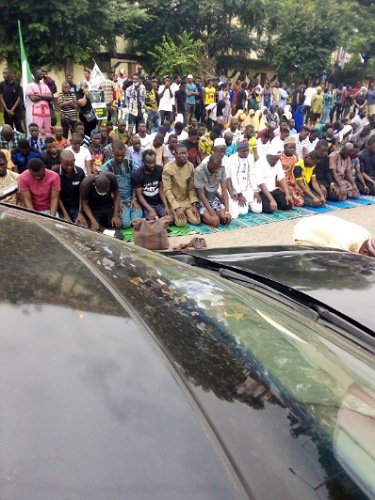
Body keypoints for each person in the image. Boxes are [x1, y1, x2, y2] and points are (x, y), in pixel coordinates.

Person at [101, 140, 142, 228]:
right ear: (112, 152)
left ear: (125, 152)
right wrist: (116, 202)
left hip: (131, 199)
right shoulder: (106, 167)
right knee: (125, 224)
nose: (120, 158)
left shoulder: (130, 163)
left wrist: (134, 198)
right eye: (117, 155)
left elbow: (136, 182)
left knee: (137, 221)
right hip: (118, 201)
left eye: (122, 155)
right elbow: (108, 191)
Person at [293, 215, 375, 257]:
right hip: (305, 229)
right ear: (364, 251)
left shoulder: (368, 236)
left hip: (324, 223)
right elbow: (330, 258)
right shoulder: (343, 243)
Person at [162, 143, 201, 227]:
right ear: (175, 154)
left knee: (196, 221)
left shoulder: (190, 166)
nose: (184, 156)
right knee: (181, 223)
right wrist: (177, 208)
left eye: (185, 153)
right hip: (175, 201)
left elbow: (191, 188)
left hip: (186, 200)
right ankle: (176, 212)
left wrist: (194, 205)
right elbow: (167, 190)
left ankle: (185, 212)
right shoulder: (168, 168)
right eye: (181, 153)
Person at [226, 139, 262, 218]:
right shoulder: (232, 159)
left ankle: (249, 204)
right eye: (243, 151)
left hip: (249, 188)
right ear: (238, 150)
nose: (246, 153)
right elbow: (233, 178)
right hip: (238, 190)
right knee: (243, 212)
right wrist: (240, 194)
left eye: (247, 150)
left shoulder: (250, 157)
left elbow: (252, 174)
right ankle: (246, 204)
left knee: (258, 209)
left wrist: (256, 190)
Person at [195, 153, 231, 226]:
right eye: (214, 168)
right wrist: (212, 213)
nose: (216, 170)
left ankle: (214, 215)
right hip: (201, 201)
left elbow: (224, 189)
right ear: (208, 163)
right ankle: (202, 216)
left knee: (225, 219)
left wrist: (227, 211)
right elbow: (201, 195)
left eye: (217, 168)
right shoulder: (199, 171)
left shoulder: (221, 169)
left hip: (213, 198)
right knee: (214, 222)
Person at [256, 143, 293, 213]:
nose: (276, 162)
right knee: (269, 208)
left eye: (277, 159)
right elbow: (261, 184)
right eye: (274, 160)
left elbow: (282, 178)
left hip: (274, 189)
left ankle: (276, 203)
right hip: (263, 191)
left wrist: (287, 194)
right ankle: (273, 202)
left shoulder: (277, 161)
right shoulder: (259, 163)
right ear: (268, 156)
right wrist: (272, 200)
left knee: (288, 204)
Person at [132, 149, 170, 219]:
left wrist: (166, 206)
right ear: (143, 161)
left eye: (153, 162)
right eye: (149, 163)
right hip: (147, 204)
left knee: (170, 219)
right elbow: (139, 196)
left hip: (159, 203)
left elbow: (161, 190)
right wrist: (150, 209)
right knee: (152, 220)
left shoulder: (160, 170)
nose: (152, 165)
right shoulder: (137, 174)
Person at [53, 149, 85, 223]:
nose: (69, 167)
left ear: (74, 160)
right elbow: (56, 196)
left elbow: (82, 194)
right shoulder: (55, 173)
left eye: (71, 164)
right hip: (61, 207)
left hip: (77, 207)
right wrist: (65, 215)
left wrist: (80, 212)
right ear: (60, 162)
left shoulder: (80, 172)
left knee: (82, 226)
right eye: (66, 165)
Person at [26, 69, 53, 135]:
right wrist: (45, 96)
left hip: (47, 113)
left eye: (42, 73)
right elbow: (33, 98)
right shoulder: (30, 86)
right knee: (38, 131)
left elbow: (50, 97)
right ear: (35, 75)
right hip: (37, 113)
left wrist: (38, 95)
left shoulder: (45, 86)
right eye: (40, 73)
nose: (42, 74)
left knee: (48, 132)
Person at [280, 136, 304, 207]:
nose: (293, 150)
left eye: (294, 148)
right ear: (284, 147)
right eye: (290, 148)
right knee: (288, 202)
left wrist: (297, 185)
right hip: (280, 182)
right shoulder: (279, 157)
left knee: (300, 202)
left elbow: (294, 173)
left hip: (291, 182)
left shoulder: (294, 158)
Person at [0, 68, 24, 132]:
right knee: (8, 128)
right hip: (7, 111)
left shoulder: (17, 85)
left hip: (16, 111)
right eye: (3, 73)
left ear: (11, 74)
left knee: (19, 128)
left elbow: (19, 98)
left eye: (6, 73)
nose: (4, 75)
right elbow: (1, 97)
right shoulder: (2, 84)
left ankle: (20, 140)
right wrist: (7, 109)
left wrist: (12, 109)